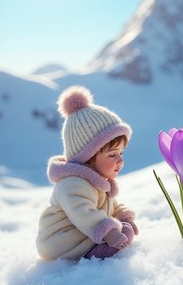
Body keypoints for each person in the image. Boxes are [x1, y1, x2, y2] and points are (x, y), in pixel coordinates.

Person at [36, 85, 138, 261]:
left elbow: (110, 206)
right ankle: (93, 254)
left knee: (125, 230)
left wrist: (123, 215)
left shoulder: (96, 181)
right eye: (112, 154)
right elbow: (84, 212)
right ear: (88, 157)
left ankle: (102, 243)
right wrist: (109, 233)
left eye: (121, 153)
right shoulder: (72, 185)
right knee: (122, 234)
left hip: (80, 234)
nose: (120, 160)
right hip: (59, 243)